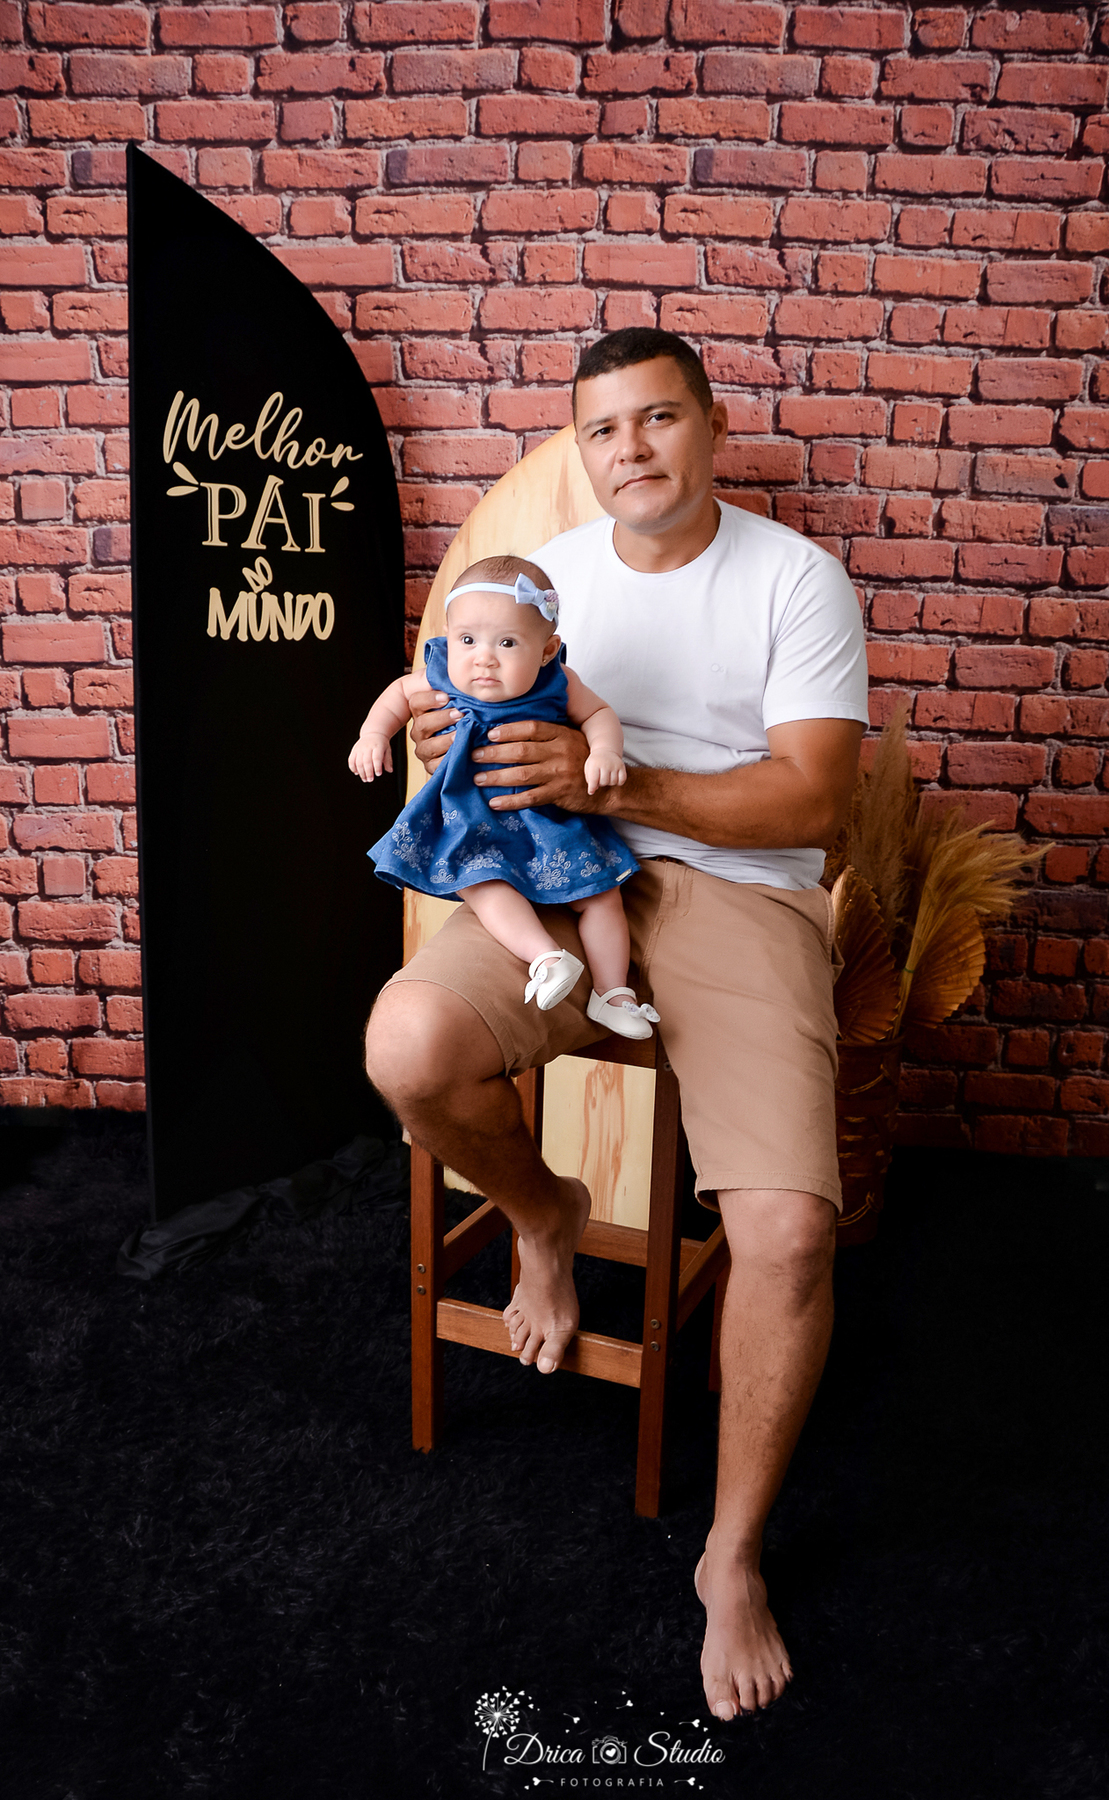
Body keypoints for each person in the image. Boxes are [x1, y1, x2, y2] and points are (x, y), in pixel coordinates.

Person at [364, 328, 868, 1722]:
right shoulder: (540, 584)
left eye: (657, 420)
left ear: (709, 427)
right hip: (548, 886)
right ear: (578, 452)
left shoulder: (795, 580)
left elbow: (815, 805)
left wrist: (617, 787)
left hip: (733, 895)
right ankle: (542, 1214)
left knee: (785, 1230)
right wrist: (437, 747)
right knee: (404, 1048)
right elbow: (443, 707)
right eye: (602, 430)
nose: (630, 450)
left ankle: (731, 1555)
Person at [349, 556, 660, 1040]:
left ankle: (612, 992)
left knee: (602, 895)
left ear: (545, 650)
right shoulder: (440, 677)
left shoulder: (560, 682)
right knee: (482, 881)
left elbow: (599, 713)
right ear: (448, 638)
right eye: (467, 640)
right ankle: (545, 957)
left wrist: (604, 750)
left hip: (551, 819)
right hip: (473, 819)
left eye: (508, 642)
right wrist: (373, 735)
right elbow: (396, 696)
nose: (484, 657)